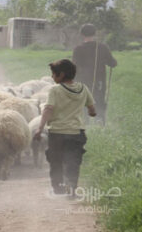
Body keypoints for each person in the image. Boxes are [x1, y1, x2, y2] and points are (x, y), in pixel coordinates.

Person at [34, 59, 96, 196]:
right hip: (76, 132)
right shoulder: (83, 88)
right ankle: (71, 189)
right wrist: (91, 113)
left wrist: (39, 128)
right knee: (73, 161)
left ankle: (58, 189)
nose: (51, 77)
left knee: (56, 161)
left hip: (57, 132)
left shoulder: (55, 90)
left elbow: (48, 109)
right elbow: (92, 109)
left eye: (53, 74)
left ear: (61, 75)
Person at [72, 23, 117, 124]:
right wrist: (111, 61)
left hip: (82, 82)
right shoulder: (102, 47)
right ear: (94, 34)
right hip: (99, 81)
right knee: (99, 100)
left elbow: (74, 67)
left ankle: (85, 123)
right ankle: (100, 122)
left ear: (82, 34)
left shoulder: (78, 49)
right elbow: (112, 63)